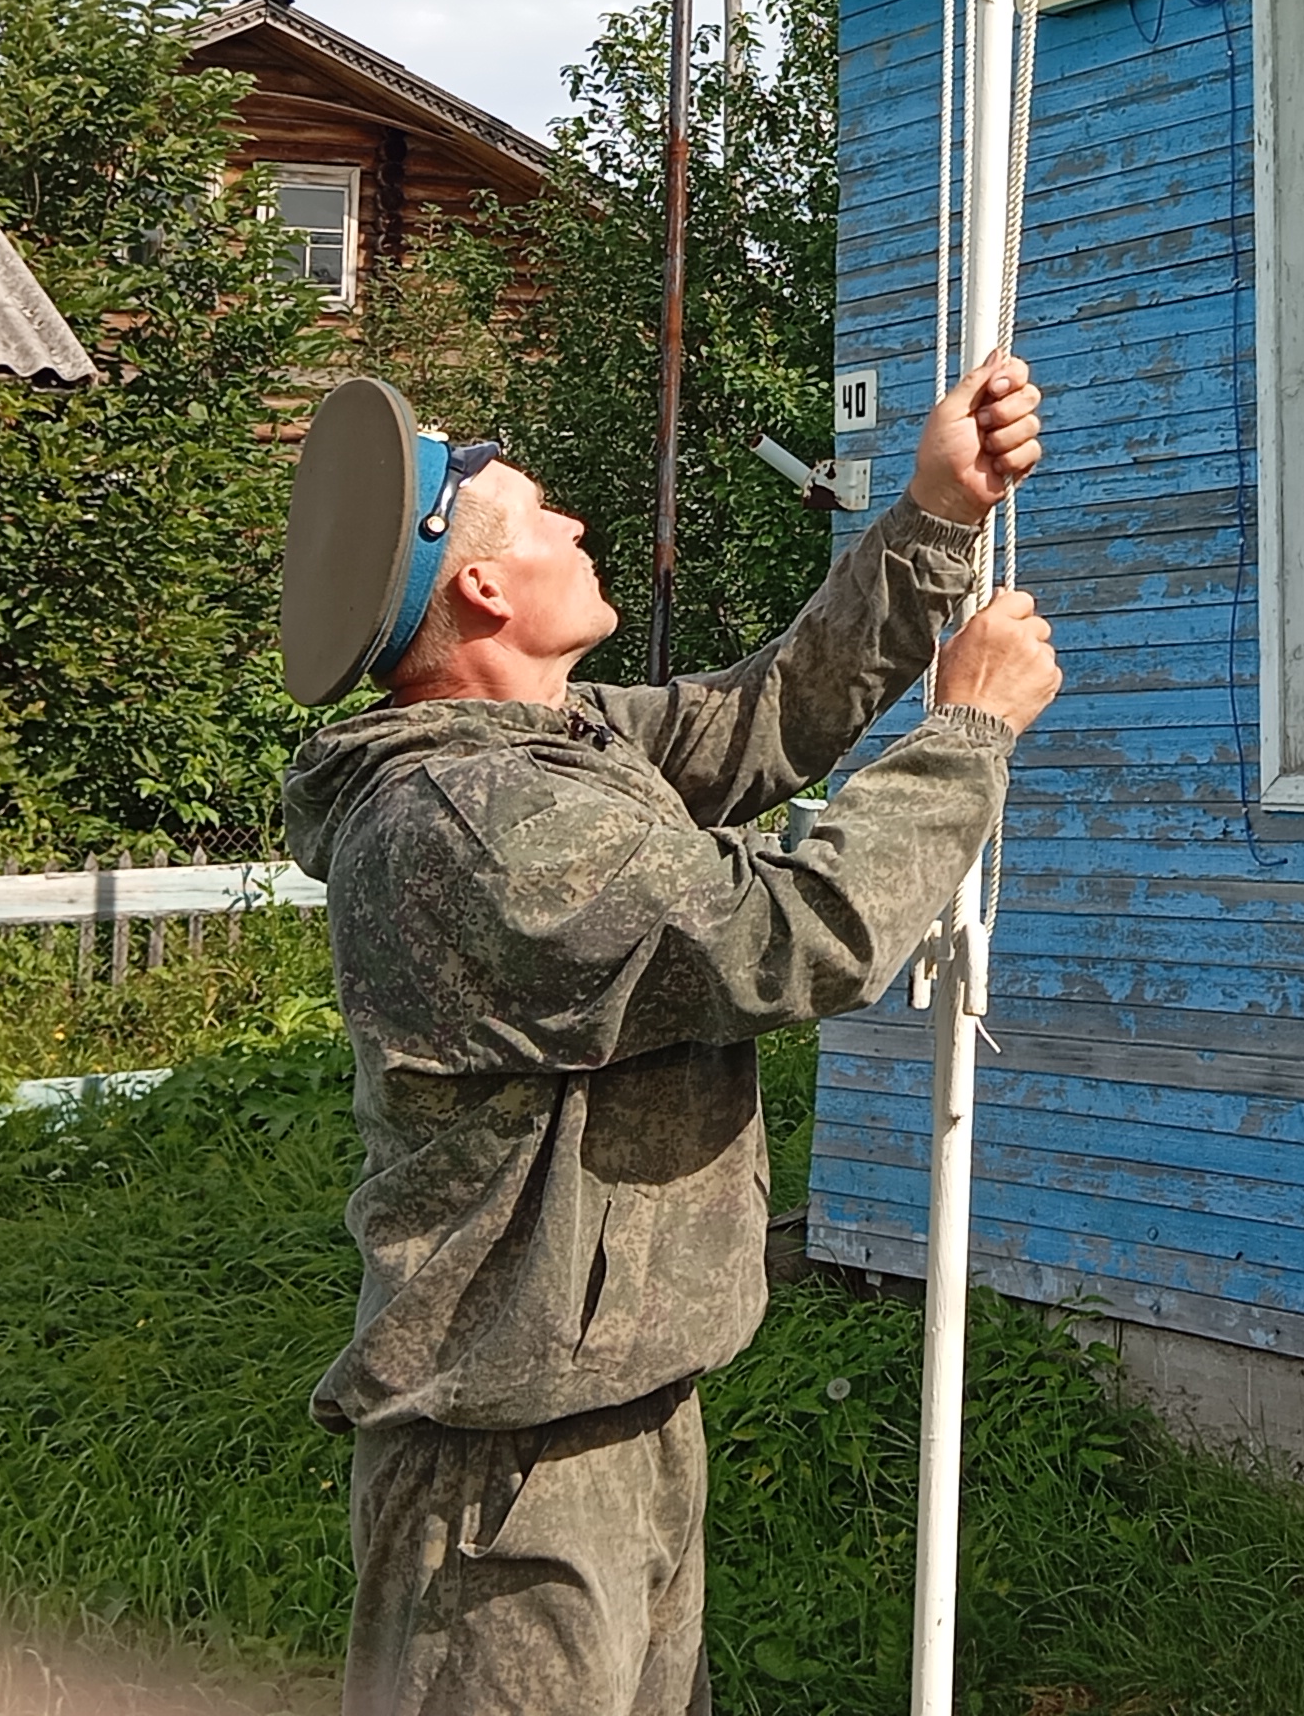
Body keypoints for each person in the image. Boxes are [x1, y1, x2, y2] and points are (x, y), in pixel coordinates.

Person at [276, 354, 1062, 1716]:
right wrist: (967, 734)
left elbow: (764, 716)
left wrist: (935, 517)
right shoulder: (474, 824)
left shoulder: (555, 745)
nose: (577, 528)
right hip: (509, 1474)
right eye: (543, 518)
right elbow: (792, 934)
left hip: (610, 1409)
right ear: (480, 587)